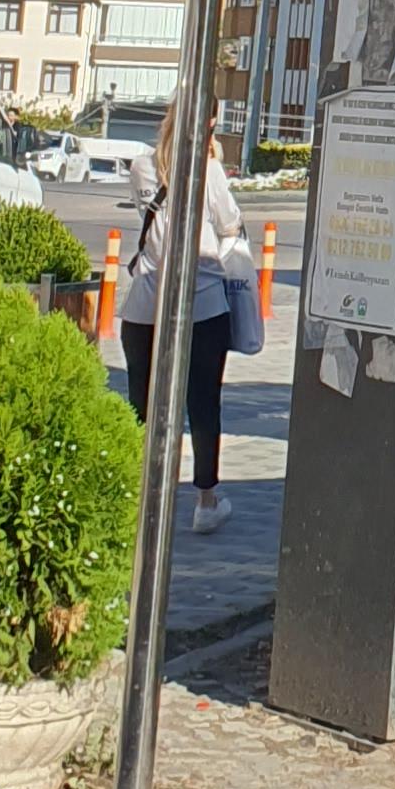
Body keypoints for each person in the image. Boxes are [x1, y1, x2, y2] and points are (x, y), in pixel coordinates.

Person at [118, 119, 246, 535]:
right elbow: (229, 223)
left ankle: (139, 491)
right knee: (203, 404)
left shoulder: (142, 167)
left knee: (143, 404)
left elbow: (150, 221)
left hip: (145, 304)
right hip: (202, 302)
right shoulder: (208, 170)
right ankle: (206, 500)